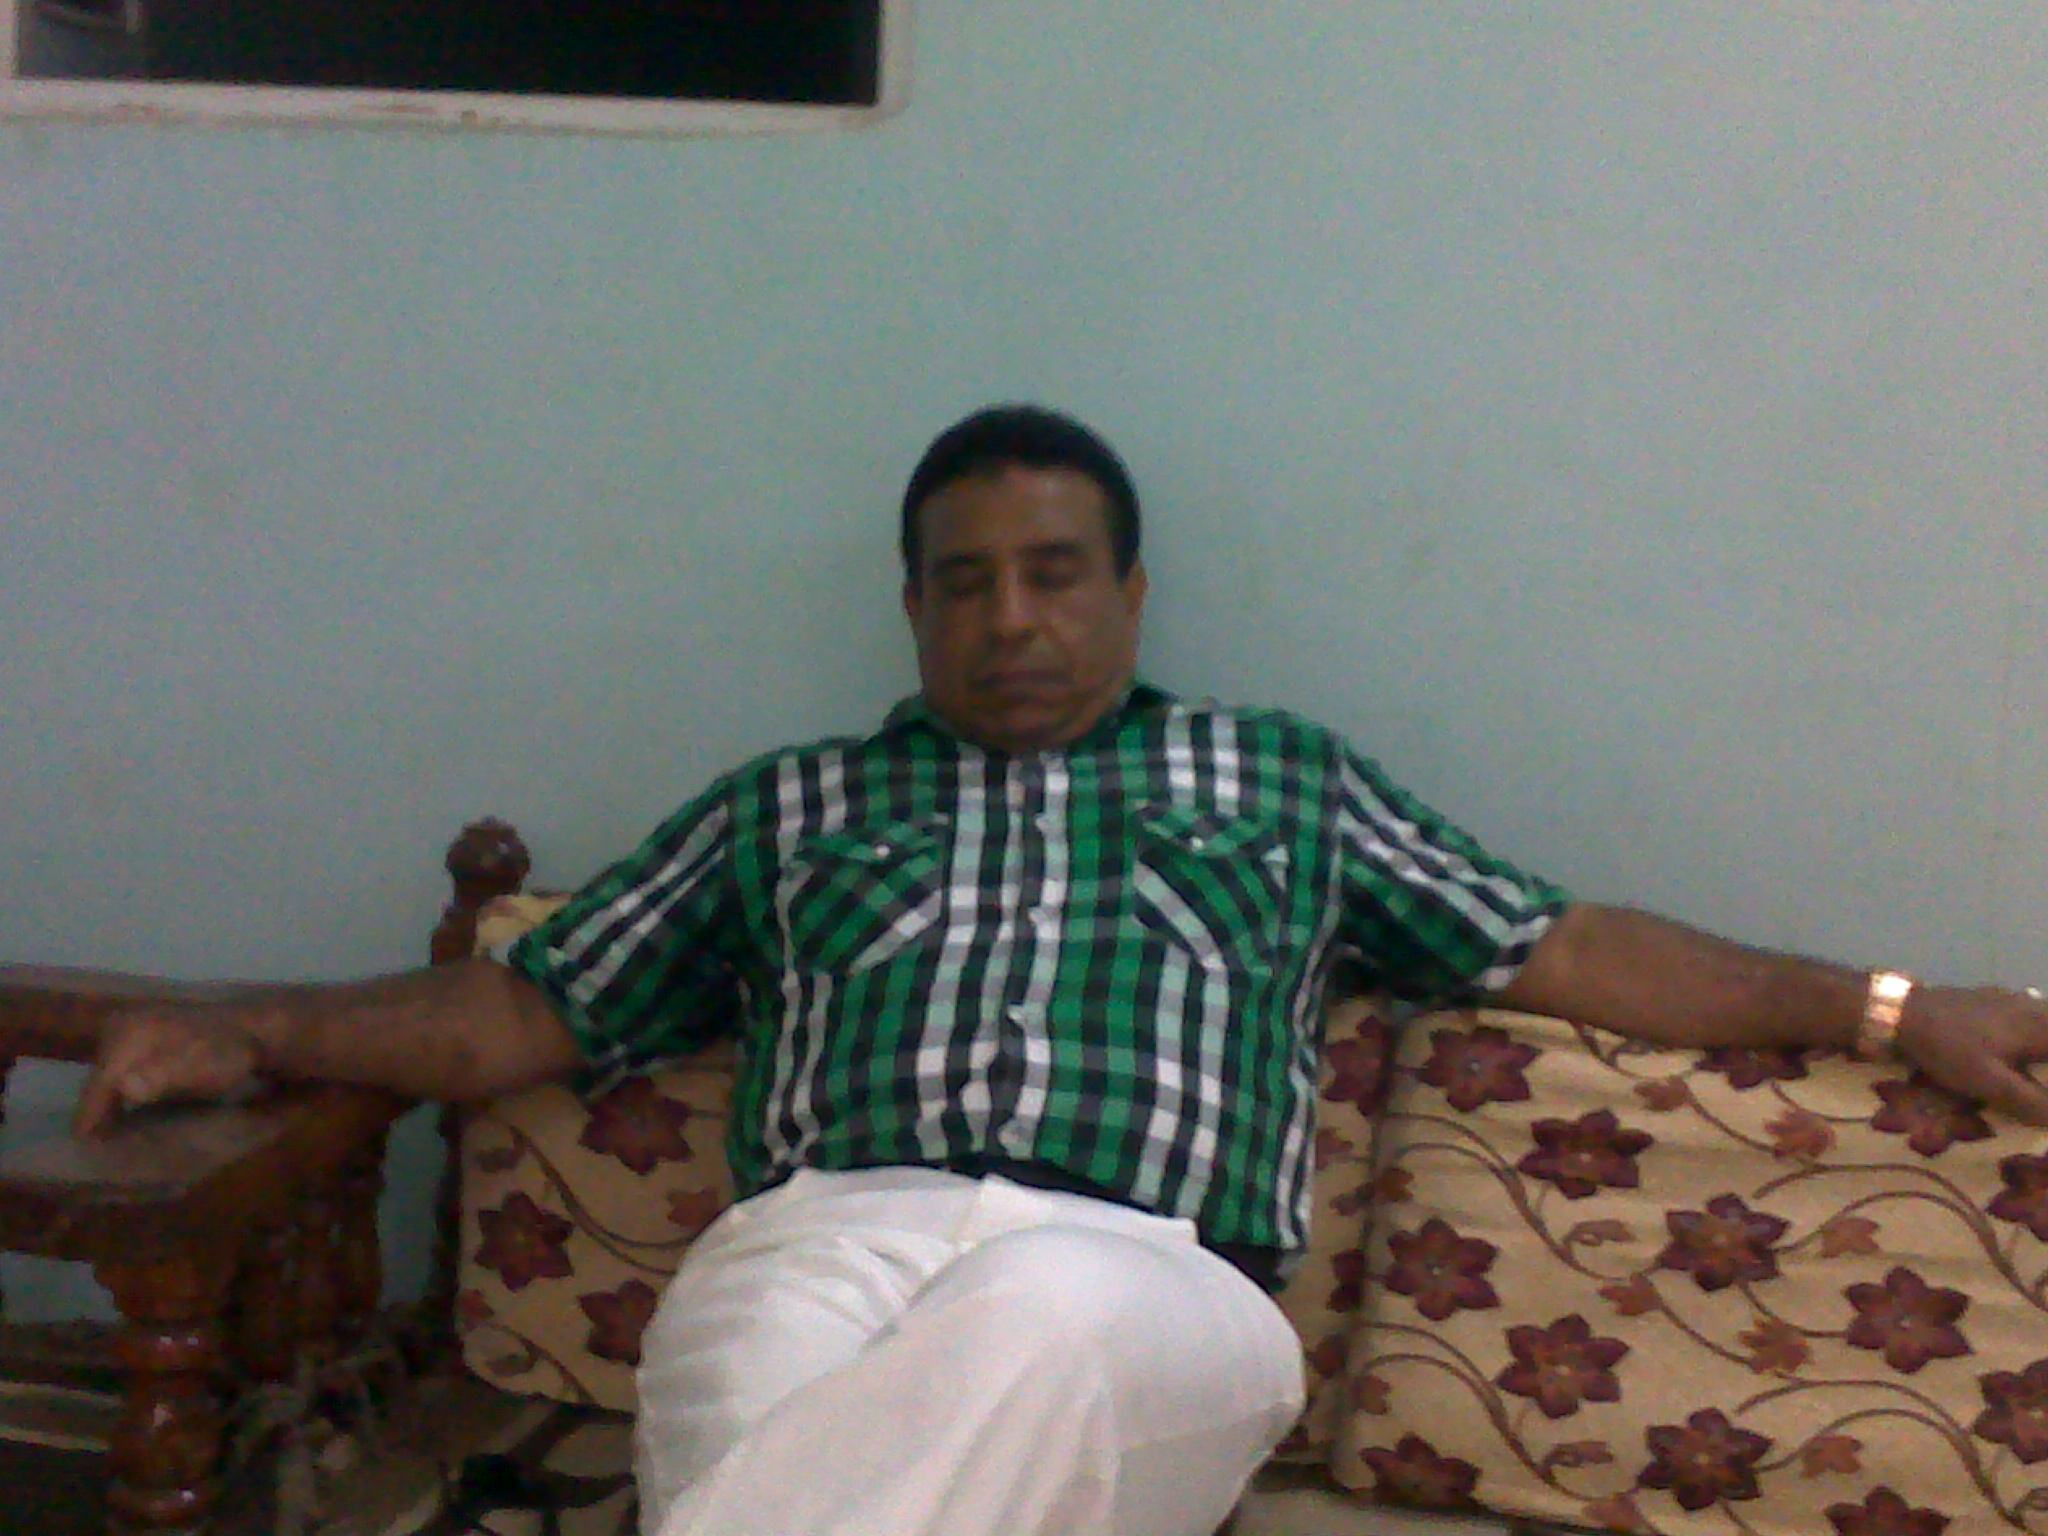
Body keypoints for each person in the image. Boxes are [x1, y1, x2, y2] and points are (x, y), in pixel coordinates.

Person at [77, 404, 2048, 1536]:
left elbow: (1565, 943)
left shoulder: (1281, 781)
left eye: (1052, 573)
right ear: (913, 607)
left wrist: (1885, 1010)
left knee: (1031, 1309)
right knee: (750, 1368)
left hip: (1153, 1284)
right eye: (964, 582)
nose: (1010, 619)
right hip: (818, 1240)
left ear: (1128, 589)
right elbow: (520, 1006)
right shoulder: (791, 805)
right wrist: (250, 1031)